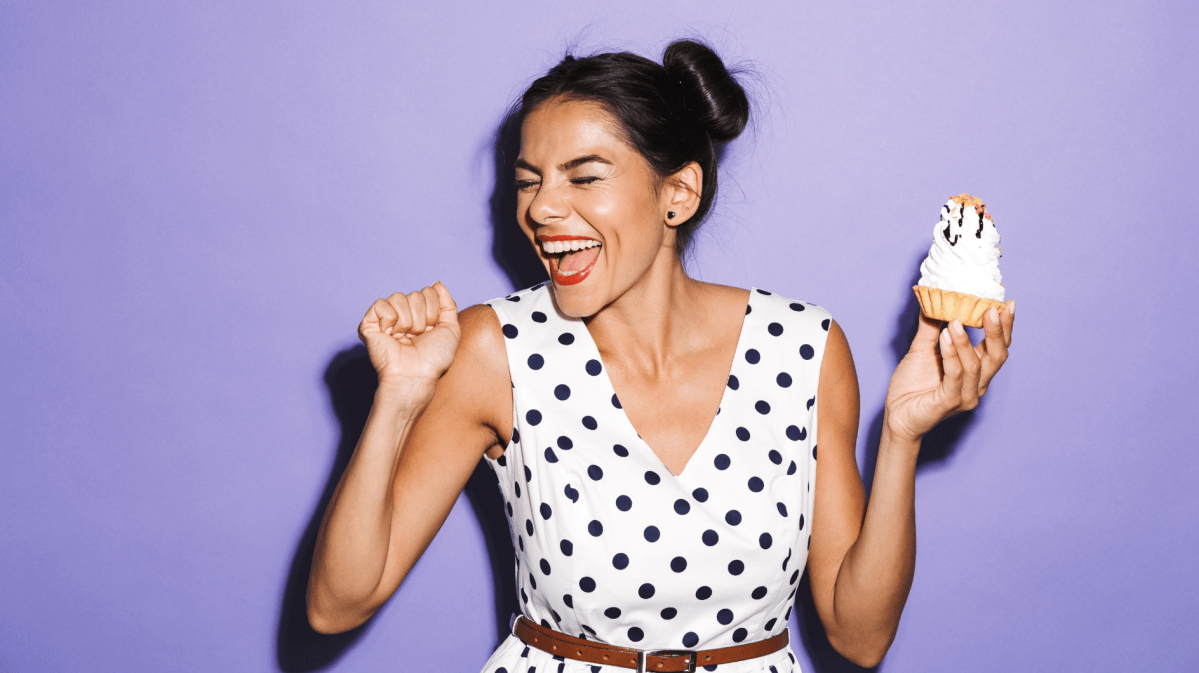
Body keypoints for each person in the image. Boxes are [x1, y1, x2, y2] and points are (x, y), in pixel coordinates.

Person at [306, 39, 1015, 672]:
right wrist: (398, 397)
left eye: (584, 177)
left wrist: (899, 437)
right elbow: (338, 604)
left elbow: (860, 638)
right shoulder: (494, 348)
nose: (541, 209)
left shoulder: (803, 348)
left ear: (676, 193)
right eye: (529, 180)